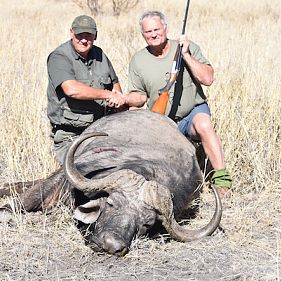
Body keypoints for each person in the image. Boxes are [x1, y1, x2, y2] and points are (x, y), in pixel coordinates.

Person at [127, 11, 232, 197]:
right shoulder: (138, 60)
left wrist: (187, 56)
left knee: (204, 125)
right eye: (148, 31)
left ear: (165, 28)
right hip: (162, 122)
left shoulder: (186, 48)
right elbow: (139, 96)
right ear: (142, 34)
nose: (153, 34)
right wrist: (126, 102)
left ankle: (222, 180)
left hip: (193, 112)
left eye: (157, 29)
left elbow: (208, 79)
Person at [47, 15, 128, 164]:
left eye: (88, 35)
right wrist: (107, 95)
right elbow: (71, 89)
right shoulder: (59, 56)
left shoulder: (100, 54)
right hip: (71, 135)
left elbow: (115, 83)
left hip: (102, 131)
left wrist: (118, 98)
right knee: (88, 169)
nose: (84, 40)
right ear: (71, 33)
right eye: (79, 35)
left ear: (95, 35)